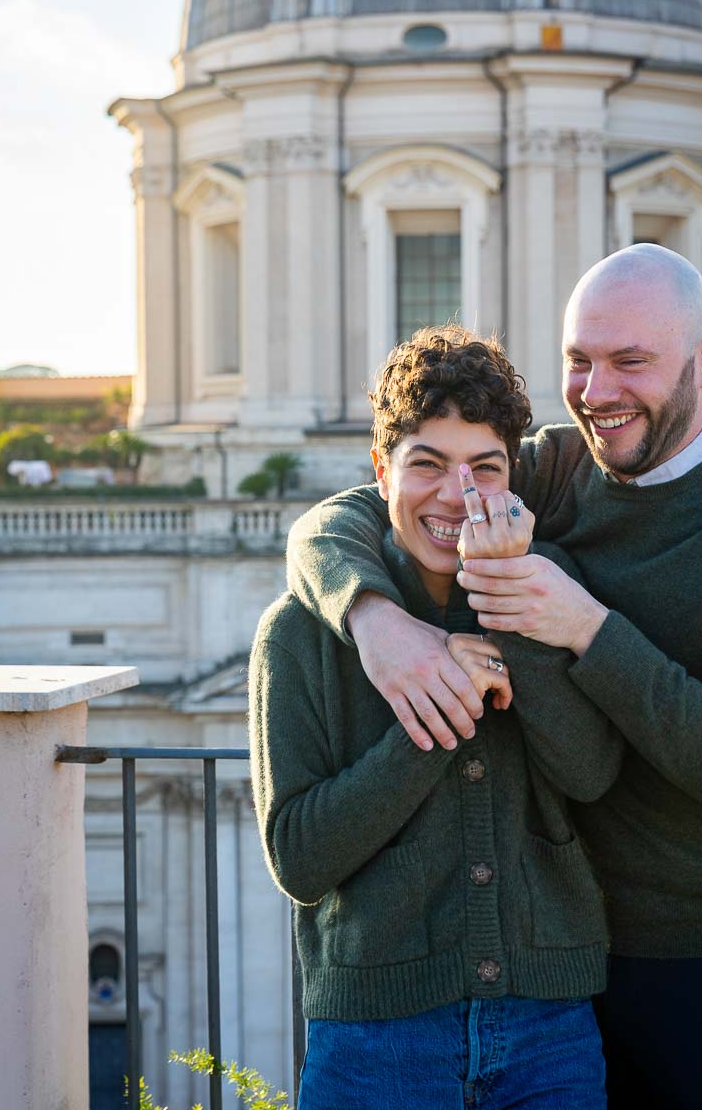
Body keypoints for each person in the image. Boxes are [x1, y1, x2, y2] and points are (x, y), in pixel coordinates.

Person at [285, 244, 702, 1110]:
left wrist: (583, 626)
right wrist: (374, 618)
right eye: (578, 362)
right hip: (569, 968)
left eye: (631, 362)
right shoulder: (560, 464)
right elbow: (355, 509)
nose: (597, 392)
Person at [250, 326, 623, 1110]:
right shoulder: (301, 632)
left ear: (512, 478)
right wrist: (442, 708)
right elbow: (300, 856)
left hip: (547, 1033)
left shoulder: (554, 594)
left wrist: (506, 609)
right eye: (427, 464)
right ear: (382, 469)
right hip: (374, 1044)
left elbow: (591, 775)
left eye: (483, 468)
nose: (456, 495)